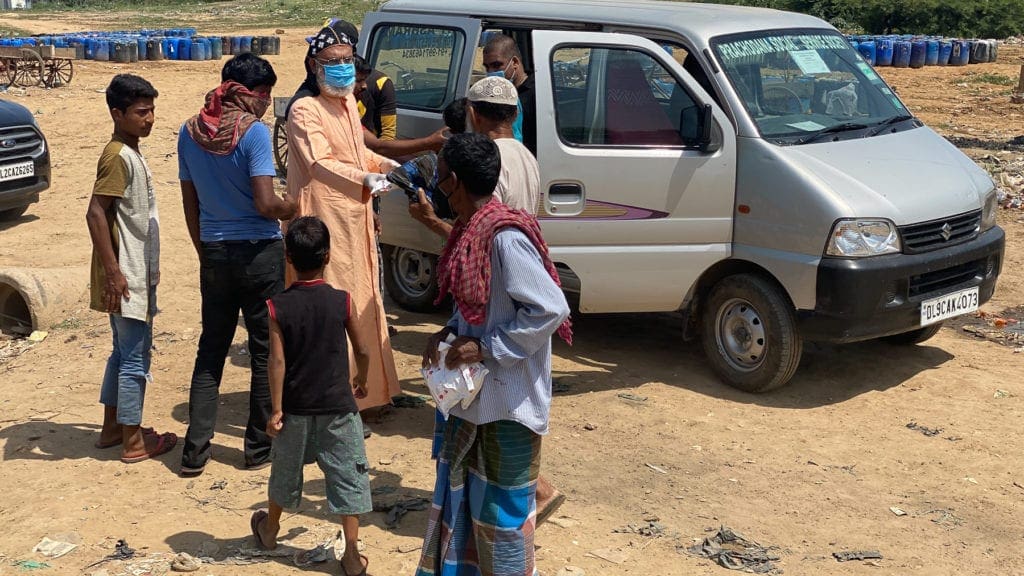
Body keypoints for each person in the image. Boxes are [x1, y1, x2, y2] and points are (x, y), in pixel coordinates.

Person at [416, 133, 571, 576]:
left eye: (442, 181)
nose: (440, 190)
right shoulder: (471, 231)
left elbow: (550, 308)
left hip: (509, 405)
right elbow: (477, 307)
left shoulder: (503, 237)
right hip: (474, 404)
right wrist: (449, 332)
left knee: (501, 526)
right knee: (463, 514)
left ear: (458, 183)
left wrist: (486, 349)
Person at [178, 53, 297, 476]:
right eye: (264, 95)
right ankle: (257, 448)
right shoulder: (254, 134)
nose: (266, 103)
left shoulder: (189, 132)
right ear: (249, 94)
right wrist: (292, 207)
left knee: (211, 349)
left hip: (214, 251)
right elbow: (266, 203)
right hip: (259, 254)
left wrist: (203, 247)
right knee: (266, 351)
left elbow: (190, 203)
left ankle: (194, 452)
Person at [285, 19, 402, 432]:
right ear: (314, 65)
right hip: (323, 218)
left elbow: (357, 154)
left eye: (347, 61)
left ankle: (371, 393)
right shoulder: (304, 109)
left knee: (365, 299)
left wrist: (386, 167)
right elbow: (318, 162)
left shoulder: (349, 103)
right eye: (332, 62)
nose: (342, 69)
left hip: (356, 217)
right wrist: (363, 179)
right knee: (333, 309)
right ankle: (338, 403)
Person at [249, 216, 372, 576]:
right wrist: (360, 379)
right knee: (348, 476)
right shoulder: (342, 301)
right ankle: (351, 553)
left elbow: (277, 361)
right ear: (328, 256)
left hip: (296, 410)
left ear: (288, 257)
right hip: (338, 407)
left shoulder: (278, 306)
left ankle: (270, 530)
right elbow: (363, 349)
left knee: (284, 472)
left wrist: (275, 410)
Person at [86, 73, 177, 464]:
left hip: (131, 272)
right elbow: (94, 213)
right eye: (141, 112)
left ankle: (112, 428)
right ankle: (133, 440)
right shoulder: (118, 156)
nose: (150, 118)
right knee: (135, 358)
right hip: (127, 276)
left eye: (152, 110)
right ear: (117, 113)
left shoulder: (130, 151)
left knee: (122, 354)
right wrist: (114, 272)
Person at [483, 33, 536, 154]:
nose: (491, 72)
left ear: (515, 62)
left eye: (496, 65)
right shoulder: (493, 93)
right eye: (487, 67)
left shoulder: (536, 94)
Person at [353, 55, 397, 141]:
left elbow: (388, 135)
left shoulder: (382, 83)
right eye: (358, 81)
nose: (364, 86)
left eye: (364, 79)